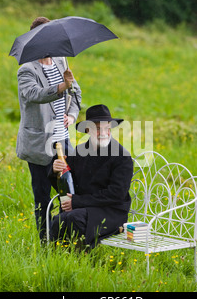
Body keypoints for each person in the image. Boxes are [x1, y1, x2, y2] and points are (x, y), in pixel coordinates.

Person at [16, 17, 82, 241]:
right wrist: (62, 86)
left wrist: (72, 116)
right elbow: (34, 94)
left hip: (63, 141)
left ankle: (67, 238)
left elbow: (76, 93)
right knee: (43, 197)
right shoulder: (26, 70)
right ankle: (45, 244)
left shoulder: (61, 61)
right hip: (39, 146)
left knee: (71, 194)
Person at [48, 104, 133, 248]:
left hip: (111, 211)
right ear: (88, 130)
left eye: (107, 128)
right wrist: (55, 171)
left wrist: (77, 202)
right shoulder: (80, 151)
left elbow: (116, 194)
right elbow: (65, 185)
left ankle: (81, 260)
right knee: (58, 219)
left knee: (75, 218)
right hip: (84, 207)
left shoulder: (121, 156)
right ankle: (57, 259)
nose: (104, 133)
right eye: (98, 129)